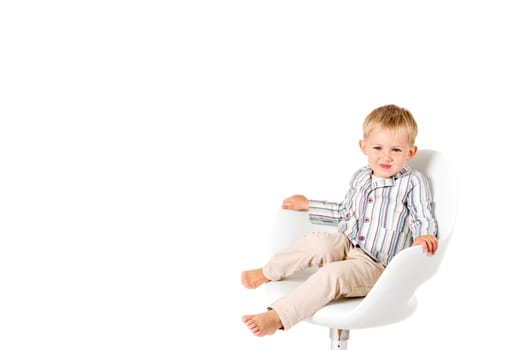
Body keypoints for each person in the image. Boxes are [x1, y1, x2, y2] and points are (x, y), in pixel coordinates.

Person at [240, 104, 439, 337]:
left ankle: (277, 316)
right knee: (317, 242)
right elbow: (346, 212)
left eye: (396, 150)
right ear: (363, 147)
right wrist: (309, 204)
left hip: (376, 266)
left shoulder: (413, 182)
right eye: (378, 147)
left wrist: (424, 235)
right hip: (348, 243)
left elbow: (422, 215)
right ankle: (269, 271)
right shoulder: (362, 176)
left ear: (410, 153)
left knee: (332, 275)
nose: (386, 156)